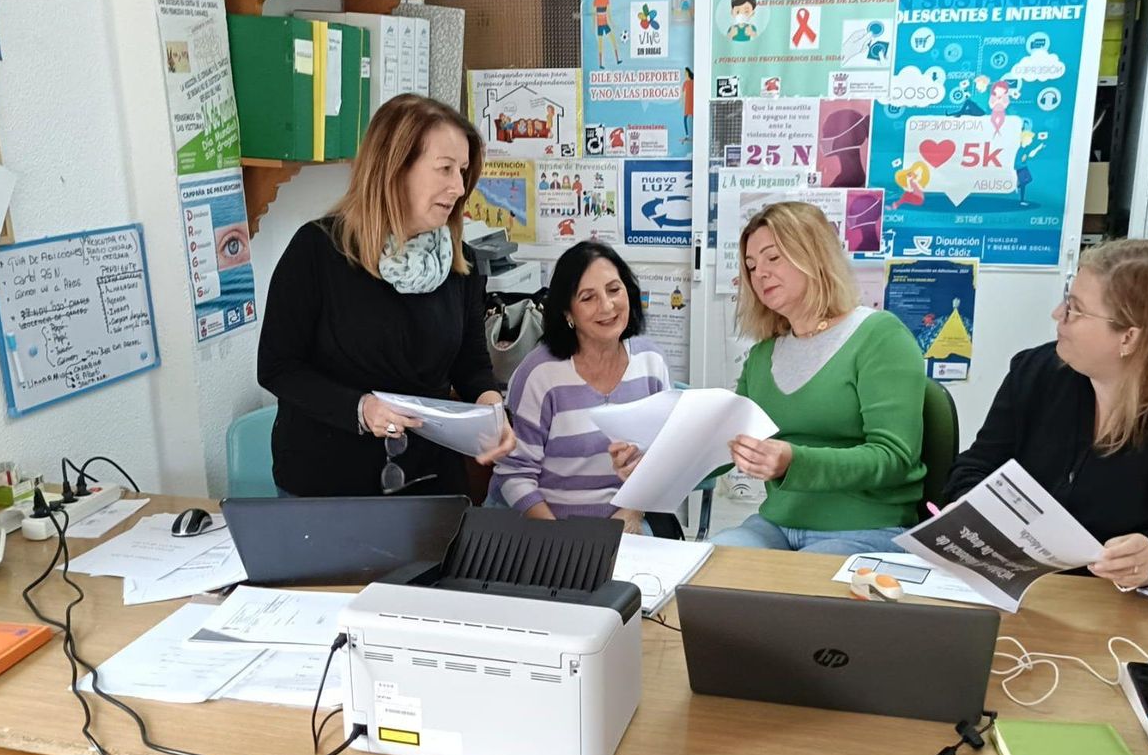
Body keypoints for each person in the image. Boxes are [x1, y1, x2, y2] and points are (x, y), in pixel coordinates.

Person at [945, 239, 1148, 589]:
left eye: (1074, 309)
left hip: (1128, 607)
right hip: (1017, 583)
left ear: (1130, 337)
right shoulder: (1038, 373)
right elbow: (975, 467)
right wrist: (971, 513)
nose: (1056, 314)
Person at [258, 94, 516, 498]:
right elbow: (277, 367)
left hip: (431, 481)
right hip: (327, 484)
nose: (459, 187)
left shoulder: (458, 261)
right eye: (445, 169)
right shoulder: (318, 250)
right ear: (395, 169)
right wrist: (361, 408)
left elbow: (470, 363)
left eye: (463, 171)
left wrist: (489, 408)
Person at [636, 201, 925, 555]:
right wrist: (651, 465)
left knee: (789, 598)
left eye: (773, 258)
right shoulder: (762, 357)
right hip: (776, 525)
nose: (760, 274)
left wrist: (794, 461)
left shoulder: (880, 336)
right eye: (751, 266)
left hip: (866, 527)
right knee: (701, 572)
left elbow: (894, 456)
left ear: (814, 254)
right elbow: (724, 450)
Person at [488, 241, 670, 531]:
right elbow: (514, 474)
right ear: (568, 313)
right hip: (545, 526)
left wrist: (632, 512)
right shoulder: (540, 374)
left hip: (625, 522)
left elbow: (661, 459)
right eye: (588, 298)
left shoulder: (651, 362)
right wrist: (561, 541)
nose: (607, 306)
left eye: (614, 290)